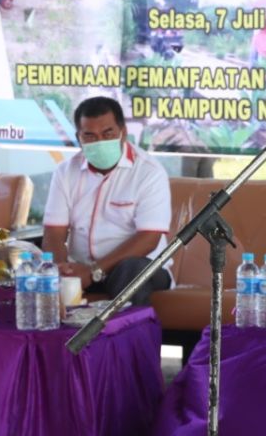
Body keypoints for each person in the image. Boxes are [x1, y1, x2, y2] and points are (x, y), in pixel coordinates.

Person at [43, 97, 172, 306]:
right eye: (90, 136)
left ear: (122, 132)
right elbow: (54, 233)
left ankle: (127, 338)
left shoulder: (149, 172)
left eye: (107, 133)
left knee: (132, 272)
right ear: (79, 137)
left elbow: (149, 239)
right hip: (82, 270)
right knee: (34, 272)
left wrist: (95, 271)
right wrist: (61, 268)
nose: (100, 142)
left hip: (135, 270)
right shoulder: (66, 172)